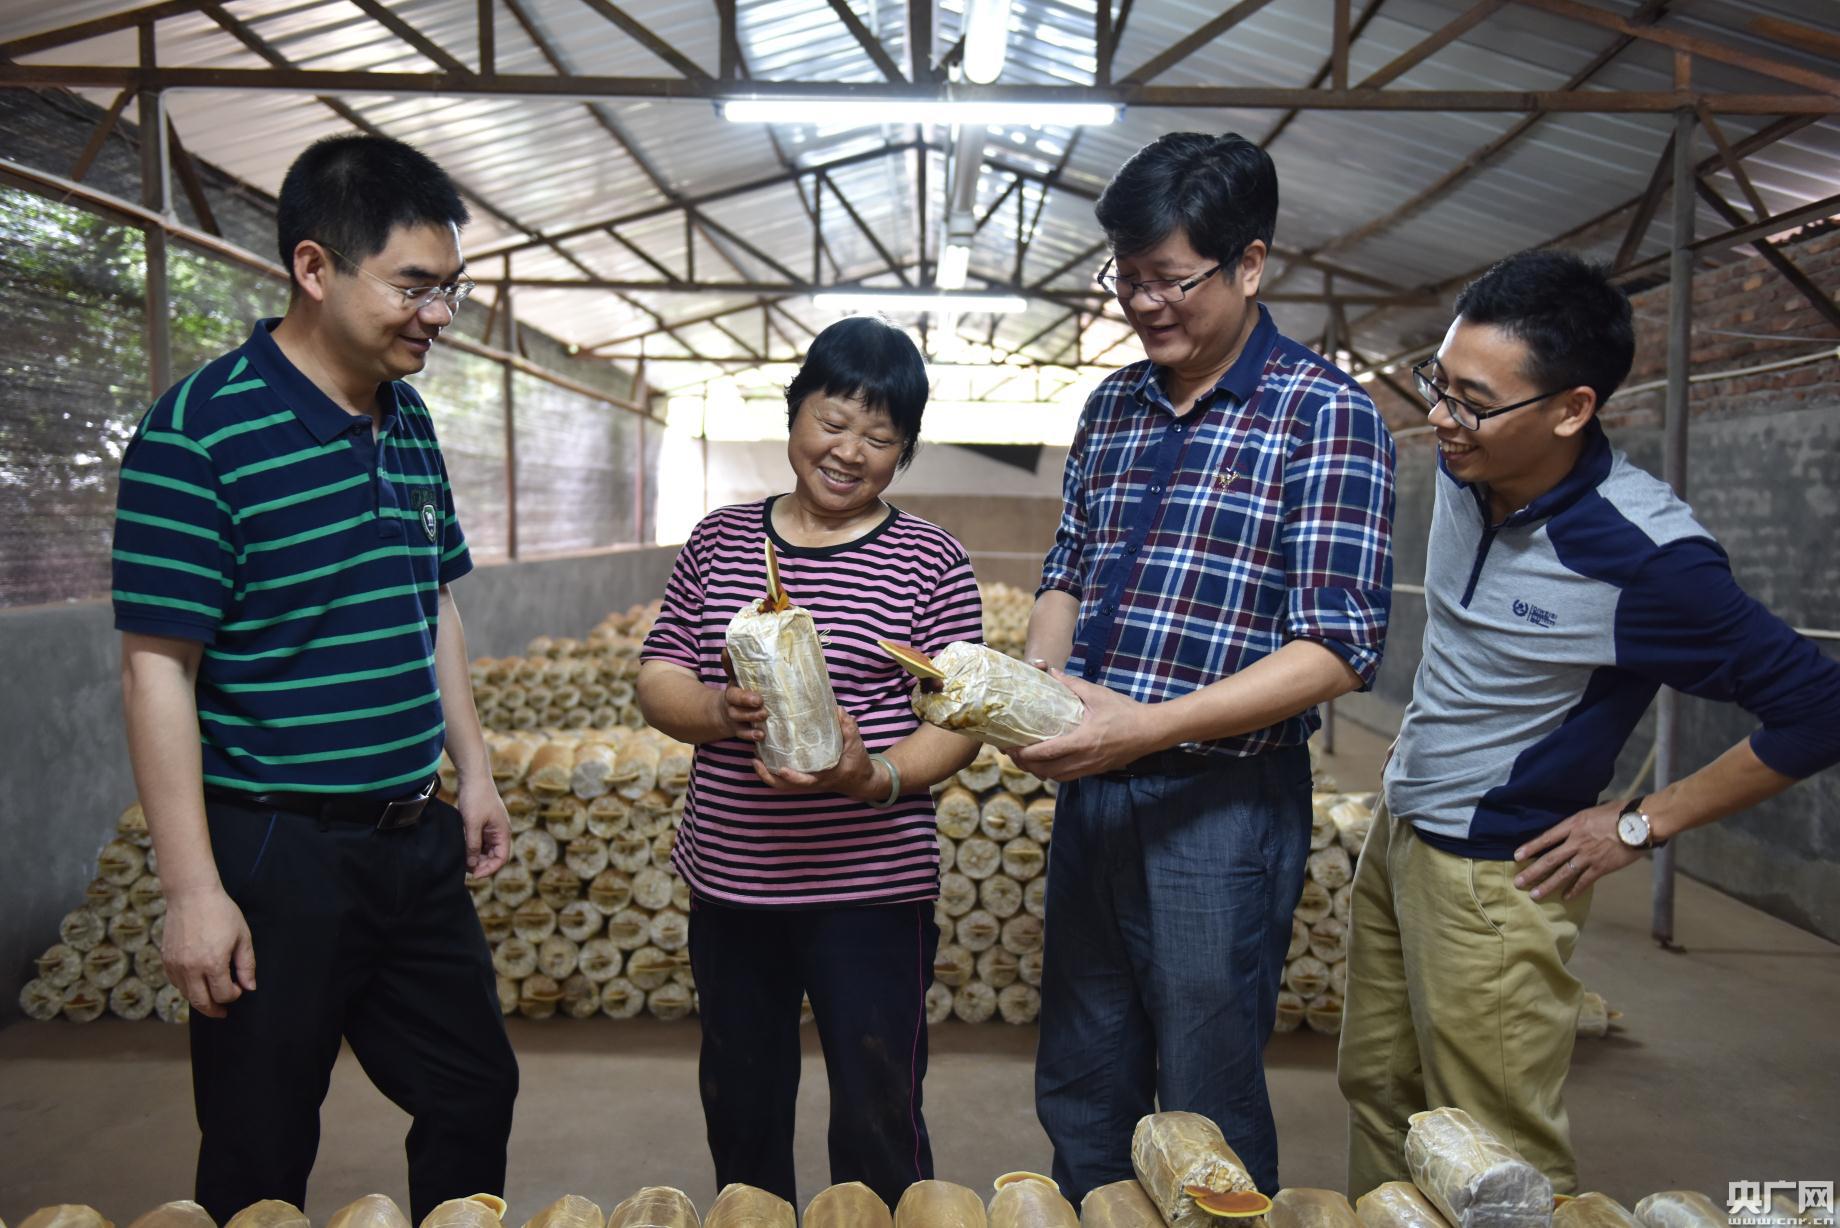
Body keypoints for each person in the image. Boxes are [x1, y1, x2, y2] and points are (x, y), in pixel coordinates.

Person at [1337, 248, 1840, 1195]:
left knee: (1494, 1151)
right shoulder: (1465, 465)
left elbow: (1817, 707)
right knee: (1377, 1089)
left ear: (1571, 409)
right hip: (1398, 837)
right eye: (1437, 385)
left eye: (1474, 400)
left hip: (1497, 878)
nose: (1442, 418)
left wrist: (1642, 821)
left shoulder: (1645, 559)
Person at [112, 134, 518, 1221]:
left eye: (452, 290)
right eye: (414, 287)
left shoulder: (411, 420)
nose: (437, 315)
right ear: (313, 267)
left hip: (412, 837)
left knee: (475, 1088)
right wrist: (195, 891)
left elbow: (432, 601)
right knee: (260, 1137)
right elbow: (157, 670)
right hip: (275, 850)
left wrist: (471, 772)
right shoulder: (198, 436)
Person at [1010, 132, 1397, 1199]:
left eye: (1170, 280)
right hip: (1097, 792)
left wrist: (1143, 723)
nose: (1143, 304)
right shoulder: (1113, 409)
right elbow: (1068, 569)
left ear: (1250, 264)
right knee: (1082, 1075)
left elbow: (1336, 645)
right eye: (1125, 279)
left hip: (1218, 811)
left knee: (1204, 1096)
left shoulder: (1325, 415)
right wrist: (1034, 688)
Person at [636, 315, 984, 1210]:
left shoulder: (928, 558)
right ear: (794, 415)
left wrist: (880, 776)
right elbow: (660, 675)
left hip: (872, 890)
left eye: (880, 437)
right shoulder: (720, 542)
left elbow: (962, 712)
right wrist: (718, 710)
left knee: (878, 1108)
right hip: (736, 886)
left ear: (903, 452)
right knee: (742, 1105)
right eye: (833, 422)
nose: (849, 451)